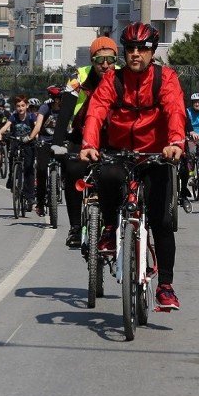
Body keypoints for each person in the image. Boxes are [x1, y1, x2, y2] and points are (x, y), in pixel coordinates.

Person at [79, 22, 187, 311]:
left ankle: (165, 286)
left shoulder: (165, 79)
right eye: (130, 49)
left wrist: (175, 142)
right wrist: (89, 144)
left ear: (153, 51)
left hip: (156, 154)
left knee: (162, 221)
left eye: (143, 48)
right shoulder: (112, 80)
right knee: (107, 174)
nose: (136, 54)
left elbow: (175, 109)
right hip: (121, 152)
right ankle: (111, 228)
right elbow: (96, 110)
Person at [60, 35, 119, 248]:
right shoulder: (79, 76)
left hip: (112, 136)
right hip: (81, 135)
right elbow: (66, 110)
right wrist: (57, 142)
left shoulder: (122, 77)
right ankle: (75, 227)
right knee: (73, 169)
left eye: (110, 60)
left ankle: (117, 224)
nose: (105, 65)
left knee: (118, 174)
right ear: (92, 60)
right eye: (99, 60)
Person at [0, 94, 39, 210]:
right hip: (16, 142)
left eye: (23, 106)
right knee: (12, 161)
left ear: (27, 106)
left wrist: (34, 137)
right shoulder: (14, 116)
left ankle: (30, 196)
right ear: (15, 107)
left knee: (29, 169)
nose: (20, 108)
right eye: (18, 106)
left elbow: (36, 127)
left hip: (29, 144)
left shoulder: (31, 117)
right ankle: (11, 177)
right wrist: (0, 133)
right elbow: (6, 126)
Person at [34, 86, 63, 217]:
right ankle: (40, 203)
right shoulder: (45, 108)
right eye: (60, 98)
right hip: (44, 142)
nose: (62, 101)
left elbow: (72, 125)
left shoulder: (66, 108)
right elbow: (38, 125)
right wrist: (31, 137)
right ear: (55, 99)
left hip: (61, 142)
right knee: (41, 171)